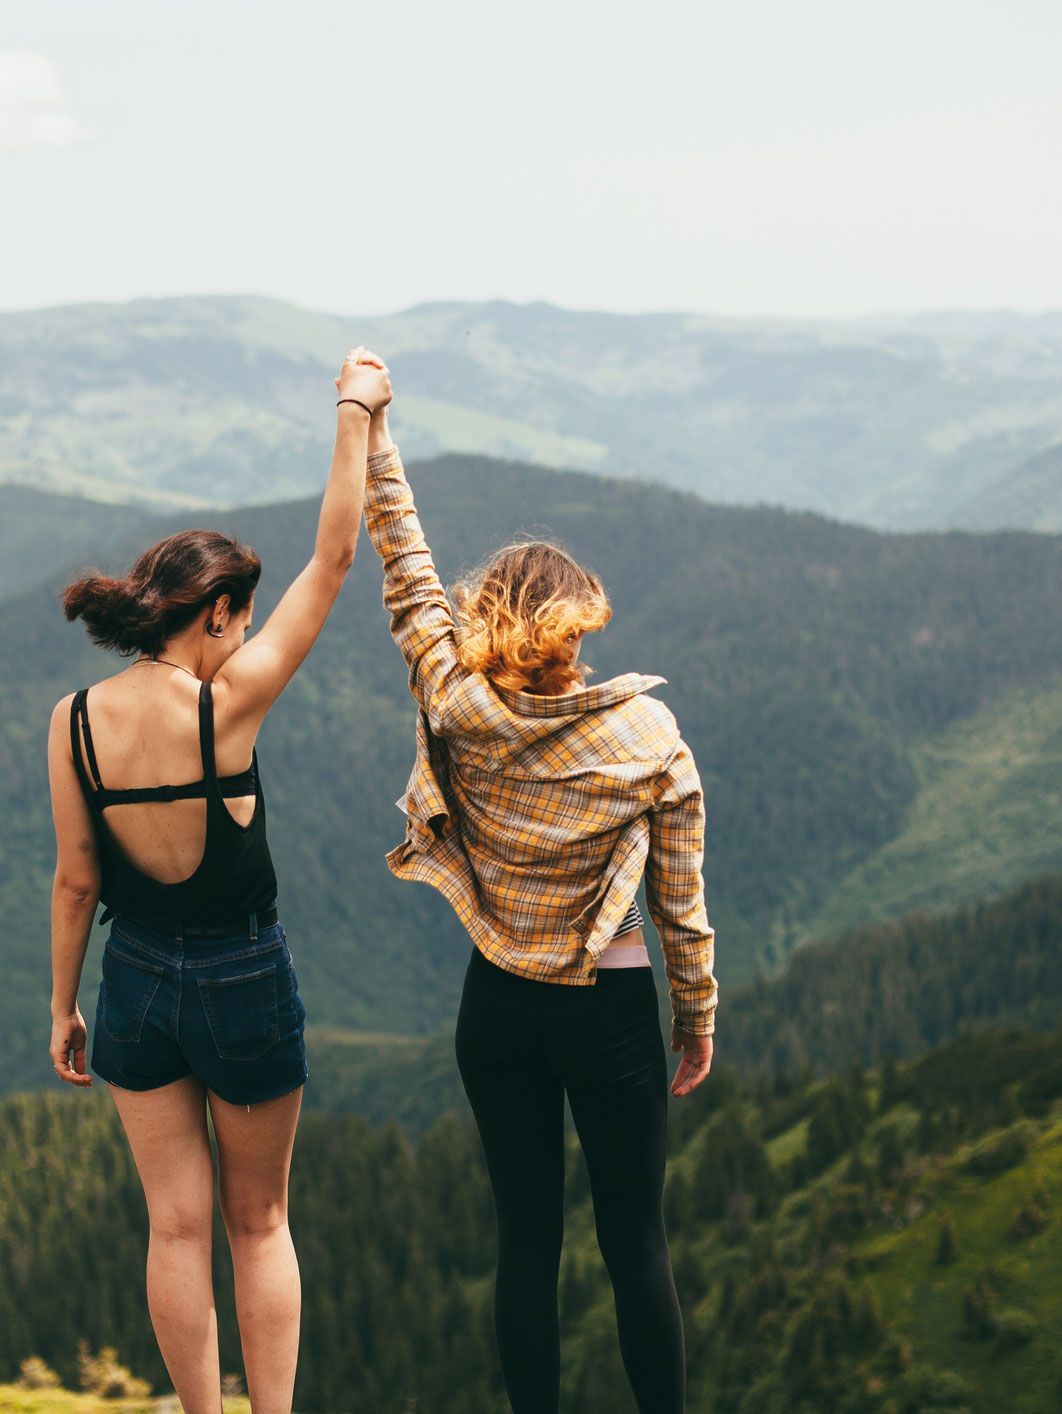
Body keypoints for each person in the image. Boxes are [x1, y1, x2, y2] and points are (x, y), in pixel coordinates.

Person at [45, 347, 392, 1414]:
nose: (239, 637)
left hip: (134, 987)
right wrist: (355, 411)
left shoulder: (73, 722)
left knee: (176, 1227)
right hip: (243, 979)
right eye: (236, 619)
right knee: (259, 1223)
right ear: (215, 614)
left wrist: (63, 1006)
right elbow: (333, 561)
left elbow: (73, 882)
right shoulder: (223, 707)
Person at [360, 388, 717, 1414]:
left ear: (490, 620)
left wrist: (374, 431)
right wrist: (693, 1020)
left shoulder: (455, 701)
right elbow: (680, 908)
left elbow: (406, 568)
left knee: (526, 1242)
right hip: (608, 1017)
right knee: (634, 1242)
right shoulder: (649, 739)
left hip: (498, 1007)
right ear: (580, 622)